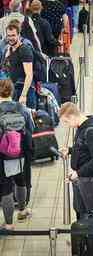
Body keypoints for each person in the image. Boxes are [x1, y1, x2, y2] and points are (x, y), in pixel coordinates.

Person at [59, 102, 93, 218]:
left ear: (72, 116)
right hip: (83, 177)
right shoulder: (82, 127)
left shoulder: (91, 131)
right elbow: (84, 147)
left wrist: (78, 173)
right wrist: (70, 150)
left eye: (66, 122)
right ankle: (83, 233)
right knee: (80, 209)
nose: (67, 125)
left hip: (91, 179)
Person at [0, 79, 33, 230]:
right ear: (12, 92)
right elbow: (30, 131)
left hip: (2, 156)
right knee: (21, 181)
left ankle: (8, 224)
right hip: (20, 153)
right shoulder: (22, 109)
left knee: (5, 188)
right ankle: (22, 210)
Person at [3, 22, 36, 108]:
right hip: (12, 91)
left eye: (13, 35)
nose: (10, 38)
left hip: (24, 91)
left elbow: (29, 75)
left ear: (19, 35)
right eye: (8, 35)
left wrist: (23, 95)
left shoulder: (24, 50)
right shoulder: (7, 49)